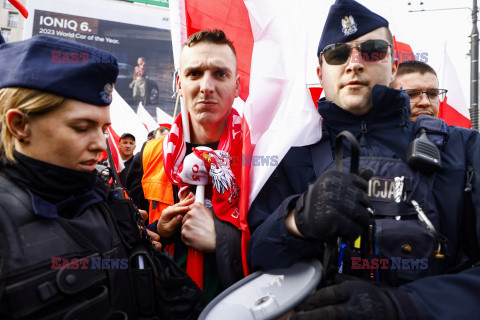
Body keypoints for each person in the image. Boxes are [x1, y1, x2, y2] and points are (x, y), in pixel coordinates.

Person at [247, 1, 480, 319]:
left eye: (371, 51)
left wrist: (407, 306)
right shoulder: (290, 156)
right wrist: (295, 221)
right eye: (337, 54)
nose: (354, 63)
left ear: (394, 64)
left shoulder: (464, 148)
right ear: (320, 71)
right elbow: (258, 261)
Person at [0, 35, 203, 319]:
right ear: (19, 124)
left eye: (104, 128)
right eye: (82, 127)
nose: (99, 144)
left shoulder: (106, 196)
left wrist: (156, 233)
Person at [126, 29, 249, 302]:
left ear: (238, 85)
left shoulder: (258, 159)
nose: (206, 86)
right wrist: (159, 231)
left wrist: (222, 240)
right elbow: (121, 242)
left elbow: (276, 247)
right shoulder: (148, 157)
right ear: (179, 83)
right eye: (194, 74)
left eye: (220, 74)